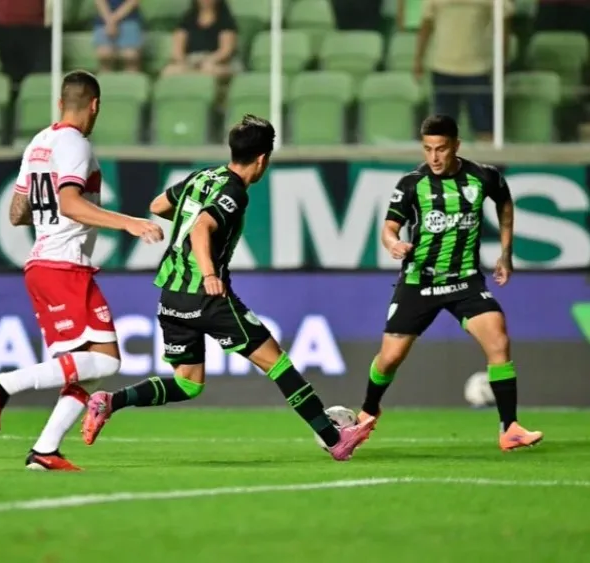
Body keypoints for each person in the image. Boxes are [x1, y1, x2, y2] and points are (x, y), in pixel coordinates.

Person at [80, 115, 377, 462]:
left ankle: (109, 401)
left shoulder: (203, 176)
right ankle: (333, 439)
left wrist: (191, 222)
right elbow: (201, 228)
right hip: (207, 297)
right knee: (277, 364)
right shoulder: (233, 190)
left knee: (188, 382)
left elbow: (158, 205)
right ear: (263, 159)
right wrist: (208, 273)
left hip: (171, 295)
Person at [0, 70, 164, 472]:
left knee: (87, 371)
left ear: (61, 103)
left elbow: (16, 212)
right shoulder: (75, 143)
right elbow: (71, 204)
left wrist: (49, 217)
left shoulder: (38, 143)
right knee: (108, 361)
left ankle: (45, 450)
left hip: (43, 263)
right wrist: (128, 222)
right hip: (64, 266)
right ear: (94, 105)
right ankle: (3, 384)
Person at [357, 115, 543, 451]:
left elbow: (504, 201)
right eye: (428, 149)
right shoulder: (412, 184)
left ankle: (509, 427)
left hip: (465, 282)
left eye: (441, 149)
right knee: (390, 358)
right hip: (419, 282)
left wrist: (506, 252)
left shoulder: (483, 177)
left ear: (456, 145)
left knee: (498, 339)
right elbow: (388, 227)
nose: (434, 157)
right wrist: (393, 243)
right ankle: (369, 410)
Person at [414, 0, 514, 143]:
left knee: (484, 126)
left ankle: (488, 163)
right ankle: (444, 165)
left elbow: (503, 25)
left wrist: (503, 60)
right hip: (442, 67)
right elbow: (426, 25)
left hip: (478, 68)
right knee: (442, 128)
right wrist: (418, 59)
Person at [162, 0, 240, 79]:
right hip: (191, 60)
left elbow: (225, 51)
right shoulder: (187, 20)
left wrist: (208, 61)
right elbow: (177, 49)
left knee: (210, 69)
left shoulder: (225, 21)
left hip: (218, 62)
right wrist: (184, 62)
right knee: (169, 71)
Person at [94, 0, 143, 72]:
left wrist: (114, 20)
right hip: (104, 19)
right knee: (105, 54)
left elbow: (133, 1)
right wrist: (109, 21)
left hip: (129, 18)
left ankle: (131, 81)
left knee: (130, 56)